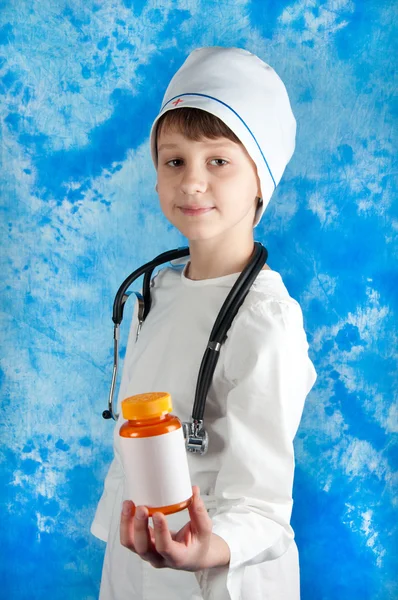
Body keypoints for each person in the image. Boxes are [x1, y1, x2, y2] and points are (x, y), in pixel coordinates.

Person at [90, 46, 318, 600]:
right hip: (138, 557)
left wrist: (206, 549)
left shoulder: (266, 320)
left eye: (218, 161)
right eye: (175, 161)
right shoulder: (156, 293)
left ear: (261, 179)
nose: (192, 182)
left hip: (220, 571)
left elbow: (261, 504)